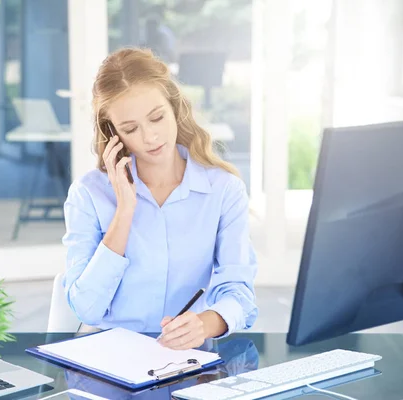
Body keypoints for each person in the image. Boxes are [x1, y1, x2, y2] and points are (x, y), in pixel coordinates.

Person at [62, 47, 258, 350]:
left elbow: (240, 293)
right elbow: (87, 309)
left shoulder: (223, 190)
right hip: (111, 358)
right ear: (113, 133)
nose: (150, 137)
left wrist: (204, 324)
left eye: (157, 118)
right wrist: (124, 211)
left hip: (191, 358)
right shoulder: (88, 195)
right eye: (130, 128)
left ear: (174, 107)